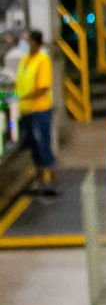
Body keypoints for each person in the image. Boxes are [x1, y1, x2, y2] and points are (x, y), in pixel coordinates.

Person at [14, 30, 56, 196]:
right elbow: (19, 83)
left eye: (28, 41)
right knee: (33, 146)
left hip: (40, 110)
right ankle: (39, 178)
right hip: (26, 110)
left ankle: (51, 178)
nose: (25, 44)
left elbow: (43, 87)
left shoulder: (42, 60)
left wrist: (23, 96)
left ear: (36, 43)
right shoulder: (25, 60)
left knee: (42, 143)